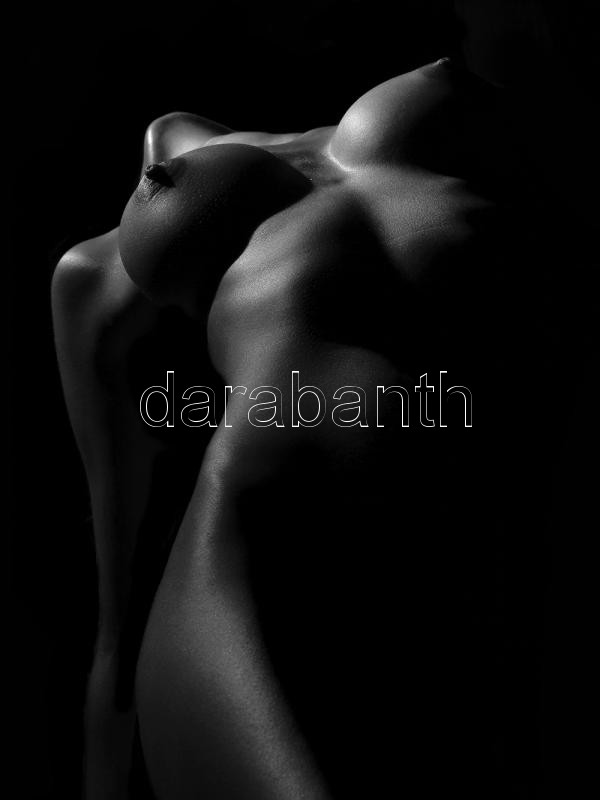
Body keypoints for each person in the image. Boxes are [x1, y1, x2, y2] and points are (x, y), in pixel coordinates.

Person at [52, 48, 545, 798]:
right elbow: (115, 619)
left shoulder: (466, 114)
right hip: (242, 567)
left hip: (436, 570)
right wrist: (106, 742)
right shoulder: (90, 276)